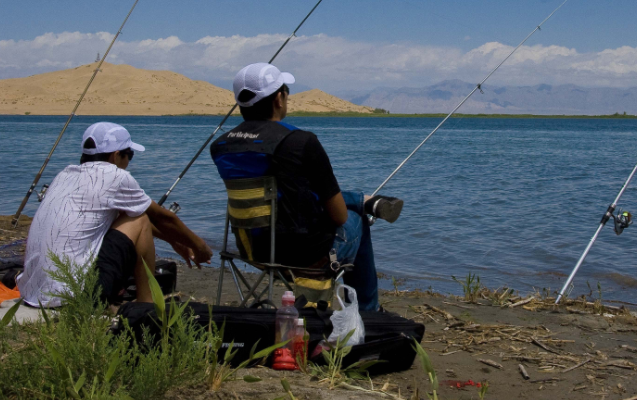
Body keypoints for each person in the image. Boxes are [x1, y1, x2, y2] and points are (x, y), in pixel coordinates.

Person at [210, 63, 402, 311]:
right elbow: (339, 216)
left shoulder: (221, 146)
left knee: (301, 193)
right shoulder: (301, 142)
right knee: (357, 219)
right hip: (306, 256)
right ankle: (369, 311)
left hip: (252, 252)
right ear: (280, 98)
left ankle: (363, 200)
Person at [17, 122, 213, 308]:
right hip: (71, 296)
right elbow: (162, 218)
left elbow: (126, 217)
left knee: (134, 217)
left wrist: (175, 241)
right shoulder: (115, 176)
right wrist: (200, 247)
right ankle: (147, 306)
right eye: (130, 155)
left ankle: (127, 304)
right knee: (141, 218)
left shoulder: (64, 175)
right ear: (116, 156)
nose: (129, 162)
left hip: (34, 293)